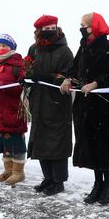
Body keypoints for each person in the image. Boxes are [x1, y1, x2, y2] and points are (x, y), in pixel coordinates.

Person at [60, 12, 109, 198]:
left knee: (105, 145)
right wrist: (68, 79)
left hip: (104, 106)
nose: (82, 29)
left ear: (94, 27)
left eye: (84, 25)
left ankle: (107, 185)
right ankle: (97, 184)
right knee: (91, 146)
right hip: (85, 105)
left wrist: (97, 83)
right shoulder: (84, 46)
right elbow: (75, 67)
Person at [26, 15, 74, 195]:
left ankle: (59, 180)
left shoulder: (65, 51)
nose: (49, 31)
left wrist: (50, 77)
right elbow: (27, 69)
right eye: (45, 29)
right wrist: (26, 78)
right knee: (40, 141)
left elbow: (70, 75)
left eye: (52, 27)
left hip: (57, 103)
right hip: (38, 101)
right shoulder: (34, 49)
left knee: (57, 142)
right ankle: (47, 177)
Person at [0, 34, 28, 185]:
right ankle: (8, 170)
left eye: (4, 45)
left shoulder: (17, 65)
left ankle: (18, 172)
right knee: (5, 143)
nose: (0, 48)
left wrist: (3, 85)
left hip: (12, 110)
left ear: (11, 48)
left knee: (16, 142)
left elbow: (21, 87)